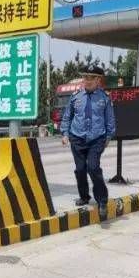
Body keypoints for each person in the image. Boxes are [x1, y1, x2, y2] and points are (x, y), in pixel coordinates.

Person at [60, 65, 116, 219]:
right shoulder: (76, 96)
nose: (87, 80)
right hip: (77, 138)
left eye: (91, 78)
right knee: (80, 169)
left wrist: (109, 137)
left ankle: (102, 201)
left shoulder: (105, 98)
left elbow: (110, 119)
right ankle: (84, 196)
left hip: (97, 139)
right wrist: (65, 133)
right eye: (85, 77)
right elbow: (67, 116)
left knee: (93, 167)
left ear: (98, 80)